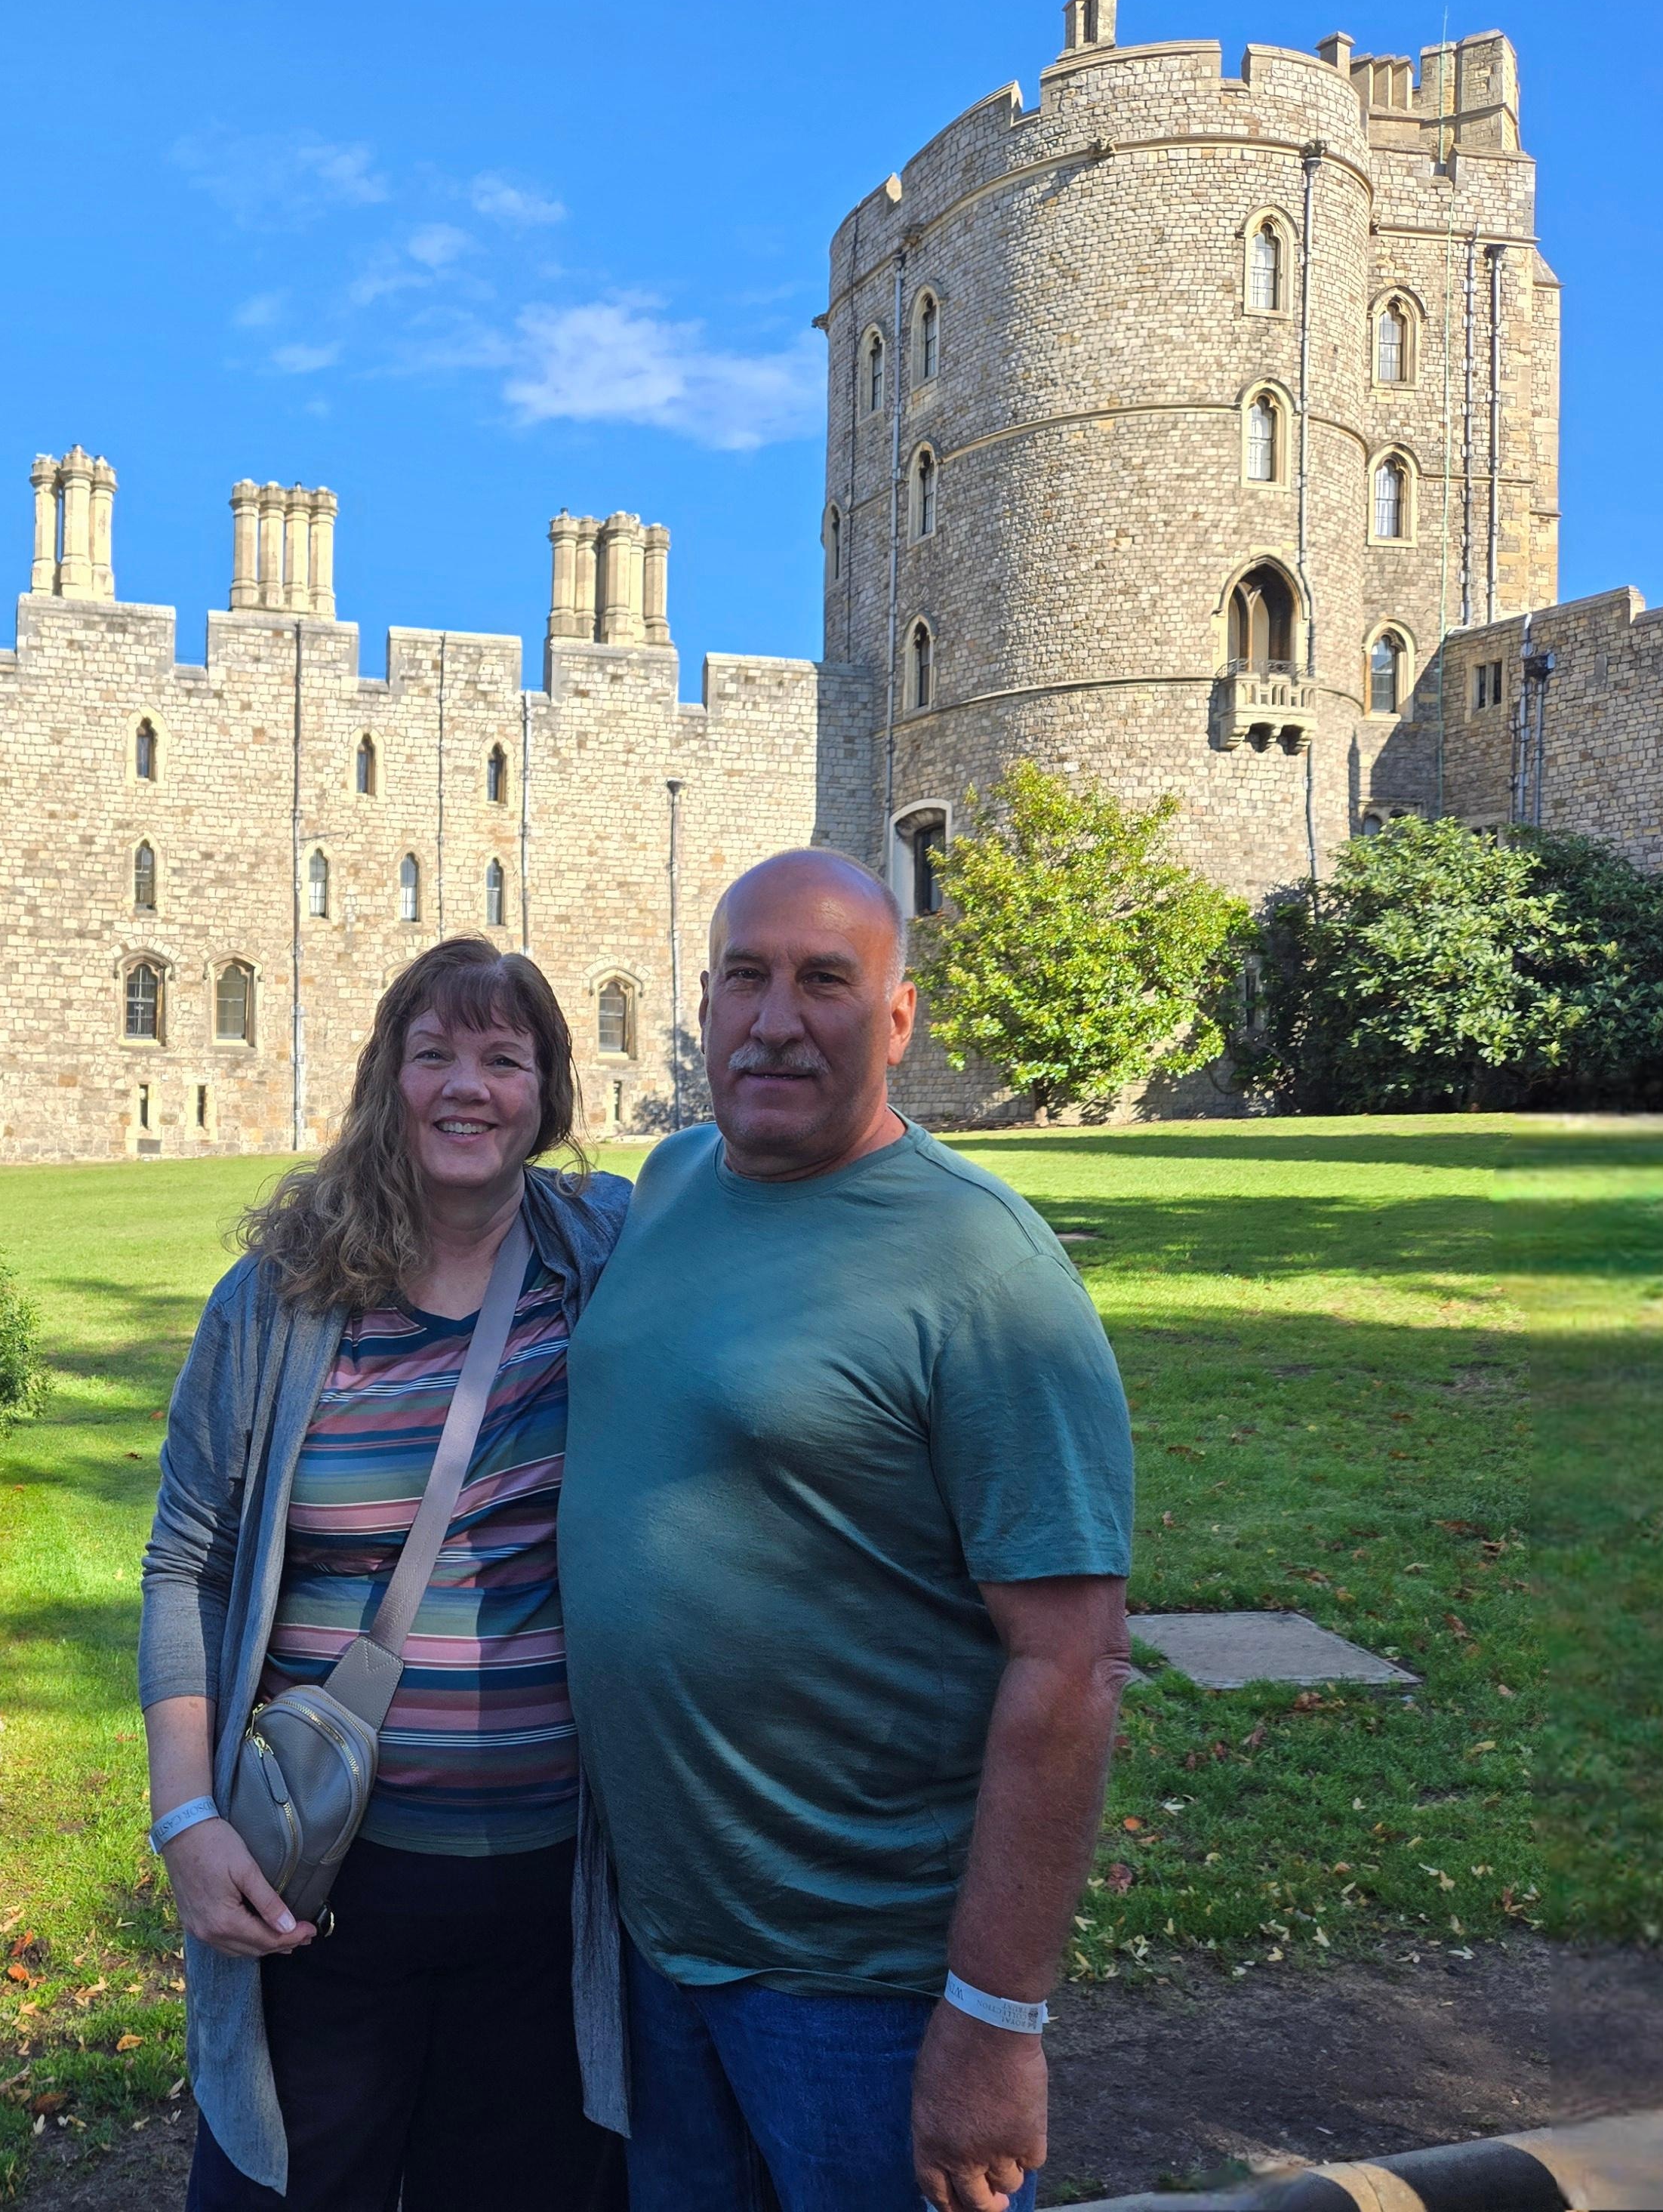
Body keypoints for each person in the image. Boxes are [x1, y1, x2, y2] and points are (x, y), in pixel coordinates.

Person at [559, 848, 1137, 2212]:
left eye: (826, 981)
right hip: (659, 1946)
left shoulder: (985, 1268)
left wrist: (998, 2018)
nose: (775, 1019)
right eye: (744, 979)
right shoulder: (676, 1179)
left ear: (897, 1018)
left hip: (861, 1985)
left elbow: (1073, 1663)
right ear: (701, 1005)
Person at [138, 936, 633, 2210]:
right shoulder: (279, 1300)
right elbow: (186, 1563)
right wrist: (189, 1822)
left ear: (550, 1096)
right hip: (323, 1886)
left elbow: (768, 1191)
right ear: (386, 1080)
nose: (467, 1089)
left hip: (546, 1893)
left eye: (504, 1060)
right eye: (435, 1056)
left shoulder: (609, 1266)